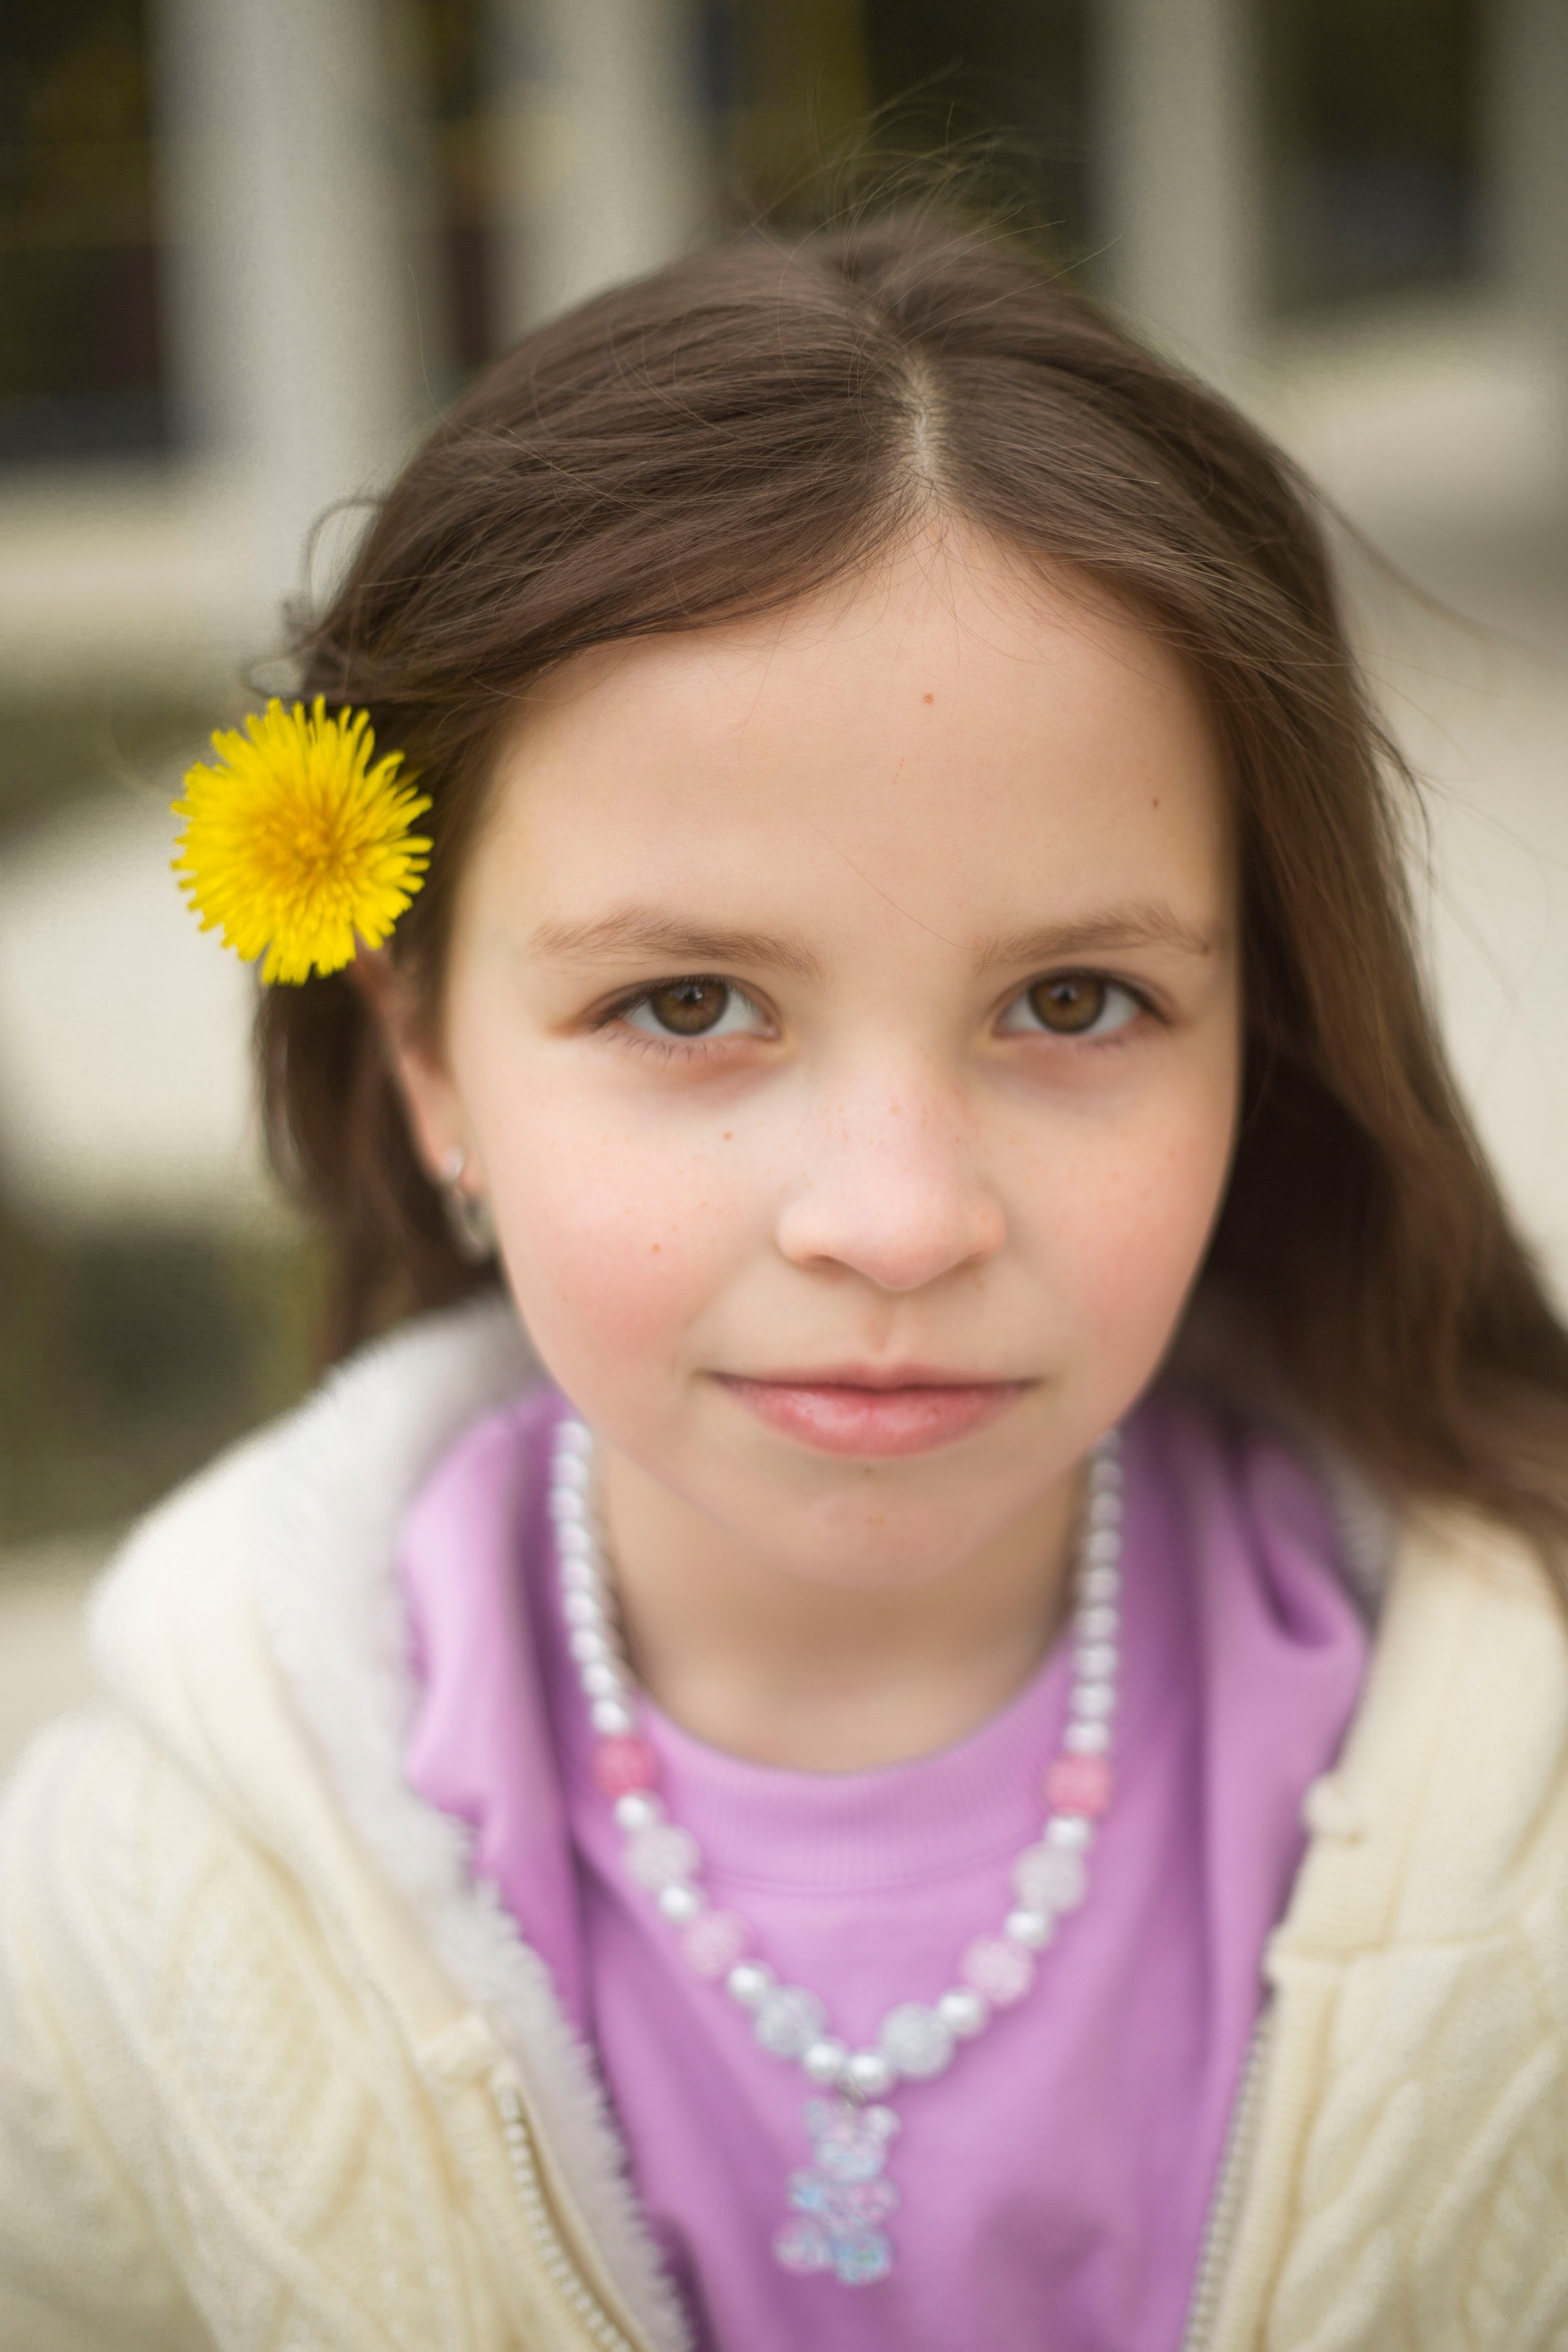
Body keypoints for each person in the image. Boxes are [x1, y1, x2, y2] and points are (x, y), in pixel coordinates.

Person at [3, 216, 1567, 2352]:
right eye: (688, 1004)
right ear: (427, 1053)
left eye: (1079, 998)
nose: (900, 1217)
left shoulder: (1526, 1818)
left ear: (1266, 1038)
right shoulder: (125, 1936)